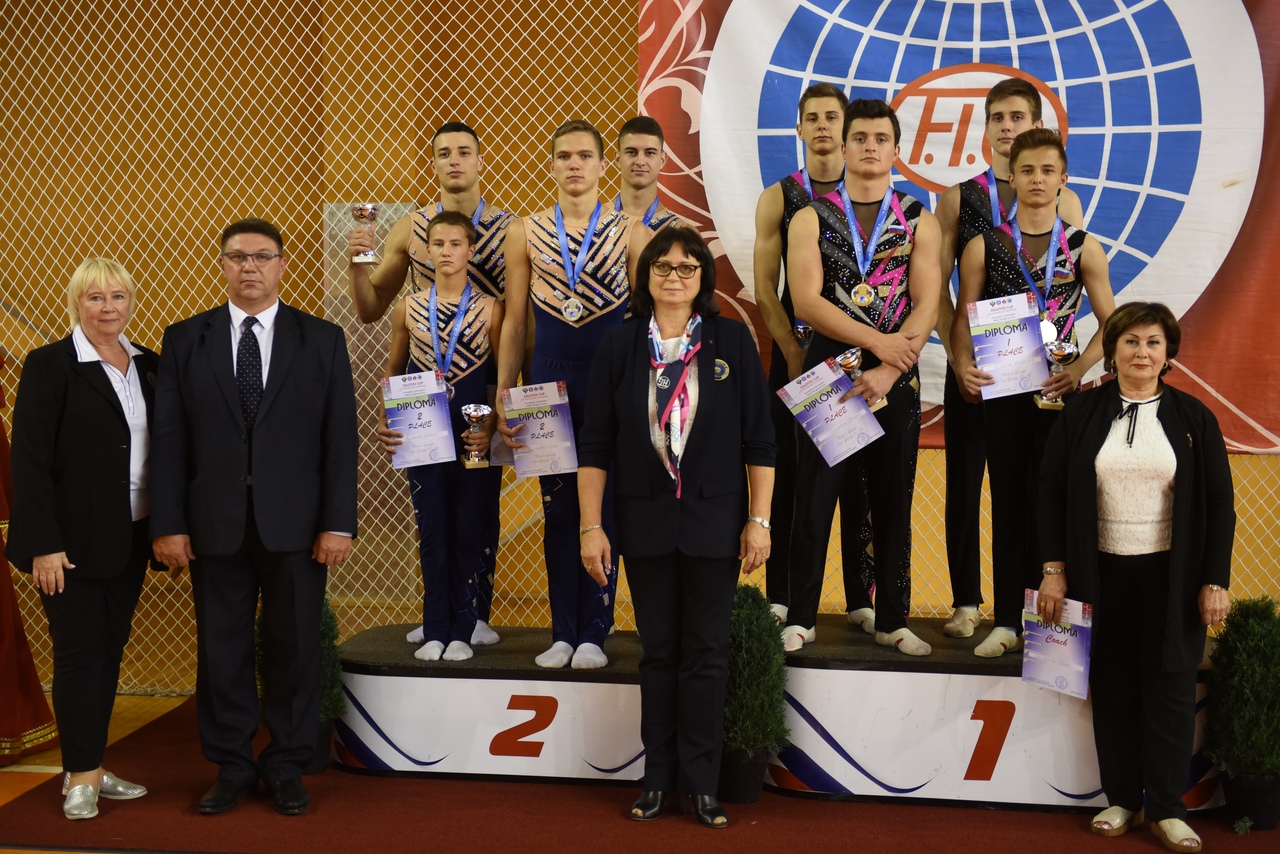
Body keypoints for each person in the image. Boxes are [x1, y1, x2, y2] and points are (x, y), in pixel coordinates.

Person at [150, 218, 358, 816]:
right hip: (212, 525)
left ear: (282, 265)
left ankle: (287, 764)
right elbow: (170, 440)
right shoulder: (185, 339)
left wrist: (338, 522)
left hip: (297, 527)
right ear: (221, 265)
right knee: (223, 652)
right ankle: (233, 766)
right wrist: (168, 523)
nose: (249, 267)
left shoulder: (321, 339)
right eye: (237, 257)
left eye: (262, 256)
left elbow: (339, 439)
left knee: (295, 649)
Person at [578, 227, 774, 829]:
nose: (674, 276)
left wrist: (759, 520)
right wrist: (591, 526)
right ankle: (657, 780)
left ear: (703, 278)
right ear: (646, 277)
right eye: (662, 266)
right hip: (645, 522)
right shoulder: (619, 346)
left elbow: (760, 440)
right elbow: (596, 444)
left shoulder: (731, 341)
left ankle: (702, 785)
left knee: (706, 656)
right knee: (659, 655)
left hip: (716, 523)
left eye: (688, 267)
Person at [1036, 302, 1233, 854]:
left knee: (1171, 692)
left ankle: (1167, 809)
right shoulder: (1081, 412)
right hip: (1099, 574)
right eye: (1130, 342)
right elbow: (1050, 492)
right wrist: (1054, 571)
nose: (1141, 353)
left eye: (1152, 343)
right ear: (1113, 351)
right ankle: (1122, 799)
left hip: (1172, 577)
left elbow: (1220, 502)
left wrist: (1214, 579)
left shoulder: (1194, 417)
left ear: (1168, 354)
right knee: (1114, 688)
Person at [786, 99, 941, 656]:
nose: (871, 147)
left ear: (897, 149)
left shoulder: (918, 217)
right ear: (844, 145)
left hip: (896, 371)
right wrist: (878, 346)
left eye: (881, 139)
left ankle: (893, 618)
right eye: (861, 138)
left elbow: (927, 303)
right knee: (814, 498)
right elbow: (807, 301)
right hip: (831, 367)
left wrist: (889, 369)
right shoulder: (810, 216)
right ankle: (800, 617)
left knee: (892, 499)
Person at [951, 128, 1114, 657]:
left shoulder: (1084, 247)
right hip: (1005, 394)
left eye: (1047, 171)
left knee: (1059, 505)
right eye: (1027, 171)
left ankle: (1053, 631)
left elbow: (1112, 325)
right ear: (1012, 177)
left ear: (1063, 179)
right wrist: (963, 365)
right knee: (1009, 505)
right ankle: (1005, 621)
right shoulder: (986, 245)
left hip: (1062, 395)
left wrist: (1080, 368)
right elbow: (962, 319)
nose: (1037, 180)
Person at [350, 120, 511, 649]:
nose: (454, 161)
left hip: (480, 379)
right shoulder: (409, 228)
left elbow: (520, 318)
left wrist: (507, 396)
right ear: (434, 162)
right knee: (433, 512)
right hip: (423, 389)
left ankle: (472, 612)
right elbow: (371, 308)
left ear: (481, 160)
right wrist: (359, 259)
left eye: (464, 151)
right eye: (444, 153)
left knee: (478, 507)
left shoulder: (510, 229)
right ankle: (441, 612)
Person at [933, 77, 1084, 640]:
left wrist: (1067, 360)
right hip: (979, 367)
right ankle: (966, 602)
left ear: (1037, 125)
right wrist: (958, 359)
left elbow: (1065, 284)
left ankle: (1028, 610)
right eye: (997, 117)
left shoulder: (1063, 198)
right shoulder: (959, 197)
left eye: (1017, 117)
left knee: (1033, 488)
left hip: (1038, 374)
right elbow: (939, 287)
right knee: (965, 483)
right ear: (986, 127)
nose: (1006, 126)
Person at [496, 120, 649, 670]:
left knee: (603, 508)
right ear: (552, 165)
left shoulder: (632, 232)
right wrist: (504, 391)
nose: (575, 165)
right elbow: (515, 322)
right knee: (558, 510)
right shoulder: (526, 231)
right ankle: (563, 631)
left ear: (604, 166)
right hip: (546, 385)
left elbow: (646, 325)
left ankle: (595, 632)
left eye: (585, 156)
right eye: (565, 156)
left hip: (609, 387)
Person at [6, 258, 155, 819]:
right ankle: (80, 777)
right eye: (95, 297)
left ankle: (91, 765)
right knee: (79, 655)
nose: (108, 307)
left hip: (132, 538)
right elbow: (29, 462)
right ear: (76, 304)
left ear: (130, 302)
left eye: (117, 296)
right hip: (67, 546)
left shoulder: (150, 365)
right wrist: (43, 543)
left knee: (108, 653)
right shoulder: (49, 365)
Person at [753, 83, 876, 631]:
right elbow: (765, 287)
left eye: (832, 117)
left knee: (859, 476)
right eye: (813, 117)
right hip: (797, 352)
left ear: (847, 131)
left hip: (855, 353)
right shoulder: (780, 197)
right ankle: (781, 594)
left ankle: (861, 597)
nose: (823, 126)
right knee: (789, 473)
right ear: (799, 128)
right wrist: (790, 349)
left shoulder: (872, 196)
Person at [380, 211, 503, 663]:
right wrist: (387, 419)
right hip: (422, 432)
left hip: (473, 433)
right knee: (432, 527)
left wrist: (490, 424)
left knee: (470, 526)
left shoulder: (491, 308)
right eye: (438, 244)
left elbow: (498, 378)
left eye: (456, 244)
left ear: (471, 250)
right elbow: (394, 369)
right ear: (426, 250)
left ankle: (464, 627)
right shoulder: (408, 308)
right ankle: (435, 627)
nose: (447, 252)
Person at [613, 116, 683, 231]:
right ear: (618, 159)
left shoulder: (679, 231)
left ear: (662, 160)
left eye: (649, 153)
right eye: (631, 152)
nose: (640, 162)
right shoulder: (590, 221)